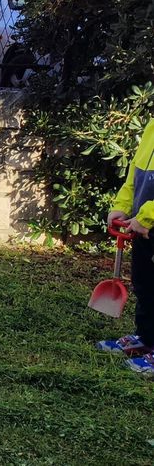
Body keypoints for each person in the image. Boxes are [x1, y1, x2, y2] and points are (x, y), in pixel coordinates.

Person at [98, 117, 154, 373]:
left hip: (148, 221)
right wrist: (122, 205)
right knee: (145, 283)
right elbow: (136, 173)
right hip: (143, 227)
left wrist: (147, 217)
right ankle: (146, 338)